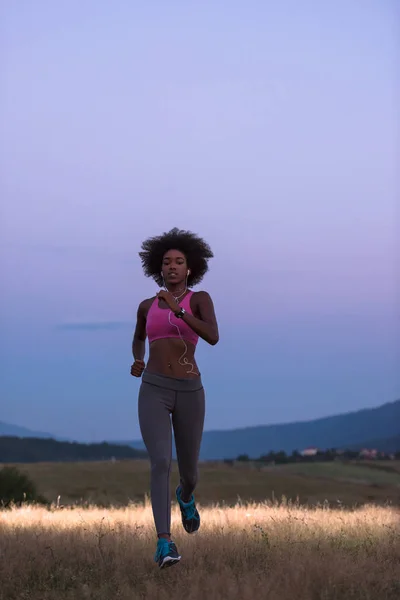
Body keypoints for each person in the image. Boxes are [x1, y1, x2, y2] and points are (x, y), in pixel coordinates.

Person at [130, 227, 219, 569]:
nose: (172, 267)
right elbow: (138, 338)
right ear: (158, 268)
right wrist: (138, 359)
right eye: (166, 262)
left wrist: (179, 311)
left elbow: (212, 336)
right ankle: (164, 543)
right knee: (160, 463)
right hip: (154, 388)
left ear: (190, 269)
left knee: (190, 472)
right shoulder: (145, 306)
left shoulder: (200, 299)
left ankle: (185, 495)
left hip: (190, 391)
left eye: (179, 262)